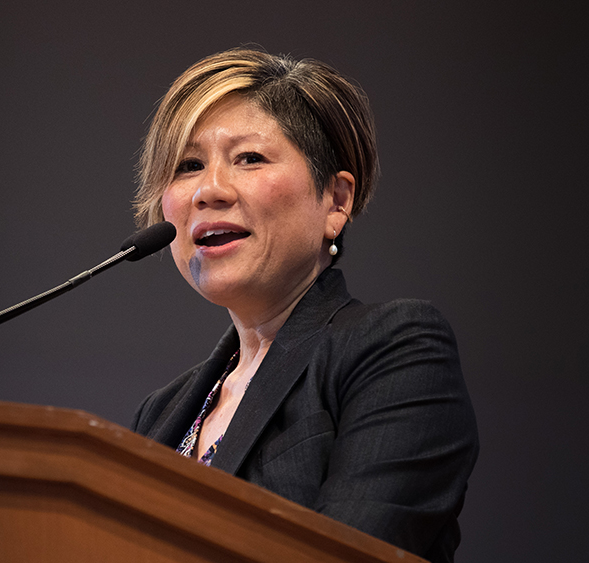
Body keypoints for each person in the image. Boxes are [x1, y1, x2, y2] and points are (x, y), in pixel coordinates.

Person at [129, 48, 478, 563]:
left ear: (336, 202)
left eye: (249, 158)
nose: (209, 190)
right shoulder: (159, 416)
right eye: (188, 166)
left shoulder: (394, 353)